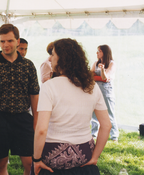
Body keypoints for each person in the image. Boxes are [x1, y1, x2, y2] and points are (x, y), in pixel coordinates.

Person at [32, 38, 112, 175]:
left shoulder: (48, 86)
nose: (50, 59)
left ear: (62, 58)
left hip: (52, 155)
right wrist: (95, 157)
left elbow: (41, 130)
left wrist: (36, 159)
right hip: (84, 153)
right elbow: (107, 125)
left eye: (53, 55)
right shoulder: (92, 86)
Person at [0, 24, 40, 175]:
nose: (6, 45)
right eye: (2, 41)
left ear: (18, 41)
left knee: (30, 165)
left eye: (10, 41)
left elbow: (34, 95)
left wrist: (36, 122)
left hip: (23, 119)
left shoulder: (28, 66)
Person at [91, 45, 119, 141]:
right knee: (94, 113)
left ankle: (114, 136)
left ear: (104, 52)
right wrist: (99, 77)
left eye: (99, 51)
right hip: (96, 91)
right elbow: (90, 76)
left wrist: (102, 70)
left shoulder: (112, 63)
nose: (97, 53)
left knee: (109, 113)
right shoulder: (95, 63)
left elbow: (105, 78)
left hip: (106, 92)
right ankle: (93, 134)